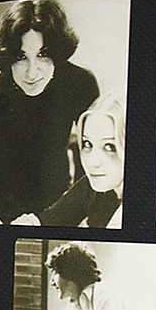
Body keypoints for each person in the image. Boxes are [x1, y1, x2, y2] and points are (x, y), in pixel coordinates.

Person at [0, 0, 99, 225]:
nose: (32, 72)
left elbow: (95, 164)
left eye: (43, 54)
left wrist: (51, 220)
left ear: (57, 51)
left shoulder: (81, 82)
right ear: (8, 57)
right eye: (21, 57)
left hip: (58, 209)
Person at [32, 88, 126, 228]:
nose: (92, 161)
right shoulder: (91, 185)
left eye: (109, 146)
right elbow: (55, 218)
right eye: (87, 144)